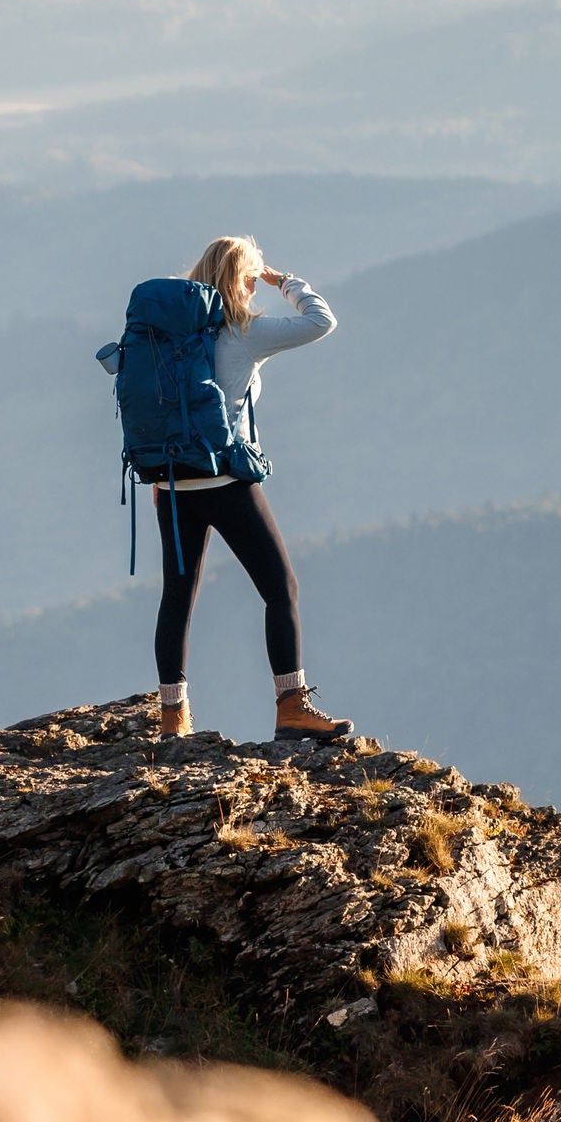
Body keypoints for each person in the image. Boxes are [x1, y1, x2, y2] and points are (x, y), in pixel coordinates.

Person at [149, 235, 353, 745]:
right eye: (251, 278)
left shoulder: (170, 333)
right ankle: (292, 708)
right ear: (240, 279)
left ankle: (172, 717)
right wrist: (284, 281)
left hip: (172, 482)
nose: (255, 288)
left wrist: (162, 477)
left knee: (178, 597)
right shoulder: (244, 331)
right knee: (281, 589)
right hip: (225, 482)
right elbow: (321, 321)